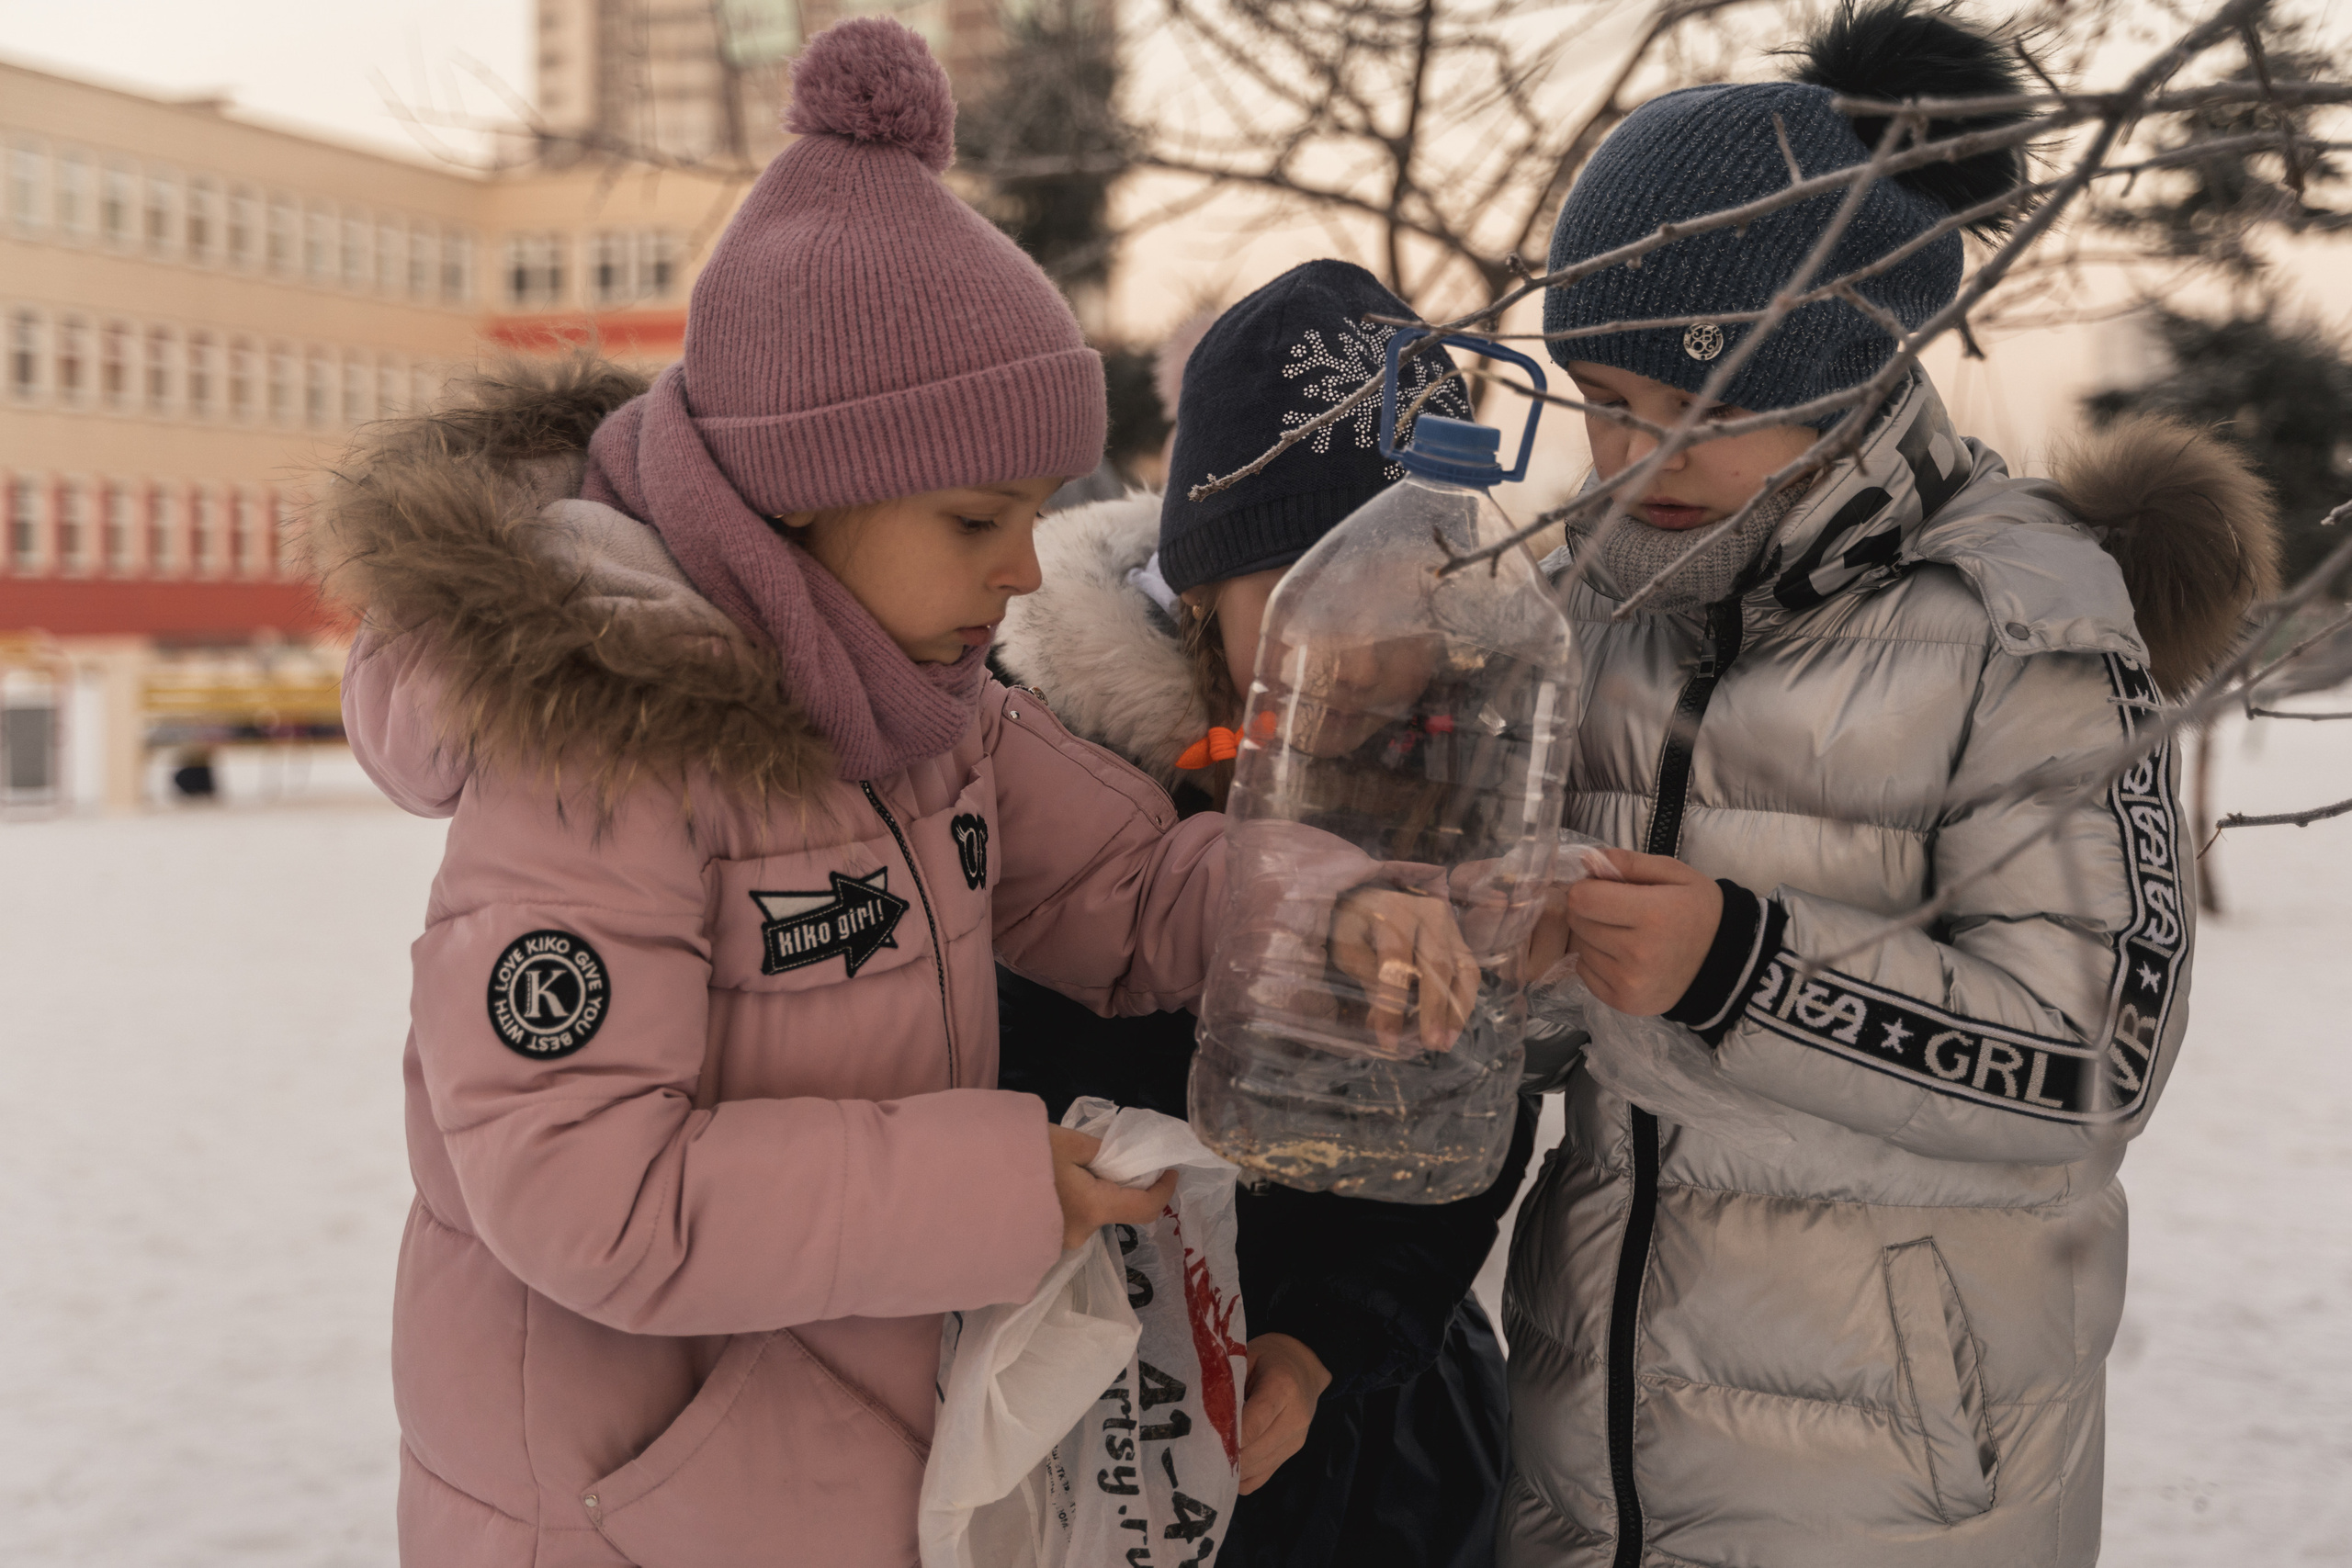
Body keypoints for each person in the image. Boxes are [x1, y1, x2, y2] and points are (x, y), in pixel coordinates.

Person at [313, 24, 1473, 1566]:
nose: (1021, 565)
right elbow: (591, 1193)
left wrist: (1340, 909)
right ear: (801, 496)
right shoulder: (598, 761)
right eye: (975, 516)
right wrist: (998, 1186)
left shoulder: (930, 712)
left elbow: (1127, 897)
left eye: (1035, 512)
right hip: (621, 1505)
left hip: (840, 1466)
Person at [1499, 4, 2280, 1566]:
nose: (1625, 464)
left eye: (1688, 416)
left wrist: (1746, 965)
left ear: (1842, 383)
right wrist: (1503, 963)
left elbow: (2092, 1058)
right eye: (1598, 402)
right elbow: (1566, 1018)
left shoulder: (2025, 624)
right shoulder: (1591, 609)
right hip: (1589, 1448)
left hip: (1901, 1481)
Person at [993, 259, 1539, 1568]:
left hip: (1379, 1444)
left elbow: (1467, 1118)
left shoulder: (1452, 766)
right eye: (1308, 594)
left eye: (1412, 593)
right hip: (1088, 1424)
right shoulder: (1058, 770)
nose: (1363, 648)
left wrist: (1325, 1341)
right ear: (1197, 586)